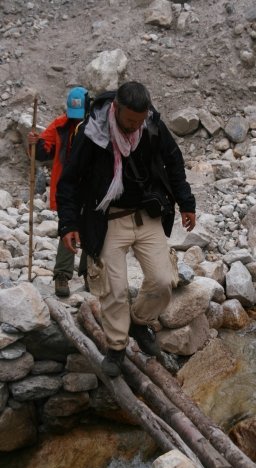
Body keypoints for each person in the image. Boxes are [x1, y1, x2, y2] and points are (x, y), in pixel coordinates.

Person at [56, 81, 196, 377]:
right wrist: (68, 223)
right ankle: (117, 347)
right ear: (116, 109)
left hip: (147, 214)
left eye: (140, 120)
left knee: (162, 281)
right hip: (108, 219)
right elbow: (68, 181)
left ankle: (139, 320)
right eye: (130, 121)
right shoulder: (93, 134)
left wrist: (186, 202)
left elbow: (174, 161)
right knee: (114, 290)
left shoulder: (152, 125)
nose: (135, 127)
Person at [28, 86, 90, 297]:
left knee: (91, 227)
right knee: (68, 227)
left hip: (91, 185)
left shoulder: (97, 125)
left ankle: (90, 273)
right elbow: (44, 151)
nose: (75, 120)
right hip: (68, 185)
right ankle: (62, 274)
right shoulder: (60, 125)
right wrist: (35, 144)